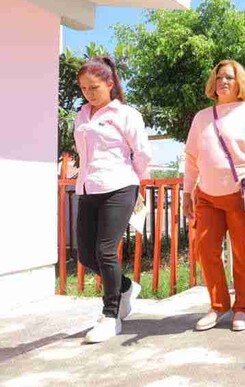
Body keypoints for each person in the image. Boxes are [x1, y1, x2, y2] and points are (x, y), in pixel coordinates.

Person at [183, 59, 245, 332]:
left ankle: (242, 307)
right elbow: (191, 158)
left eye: (229, 78)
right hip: (207, 197)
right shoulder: (201, 117)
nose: (223, 81)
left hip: (243, 193)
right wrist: (188, 193)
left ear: (239, 83)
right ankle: (218, 305)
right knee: (206, 250)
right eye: (219, 77)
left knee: (244, 253)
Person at [74, 56, 152, 343]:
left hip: (119, 186)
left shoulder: (126, 114)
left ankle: (110, 316)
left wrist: (136, 184)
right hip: (88, 188)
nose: (88, 93)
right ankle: (127, 287)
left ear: (110, 84)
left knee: (106, 251)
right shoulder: (82, 115)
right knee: (85, 254)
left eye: (94, 87)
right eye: (83, 88)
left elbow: (142, 154)